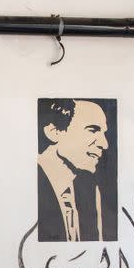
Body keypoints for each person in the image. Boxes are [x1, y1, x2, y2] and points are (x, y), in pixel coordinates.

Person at [37, 98, 111, 242]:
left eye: (103, 133)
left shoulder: (90, 190)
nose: (104, 144)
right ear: (55, 131)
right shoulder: (29, 180)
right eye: (93, 130)